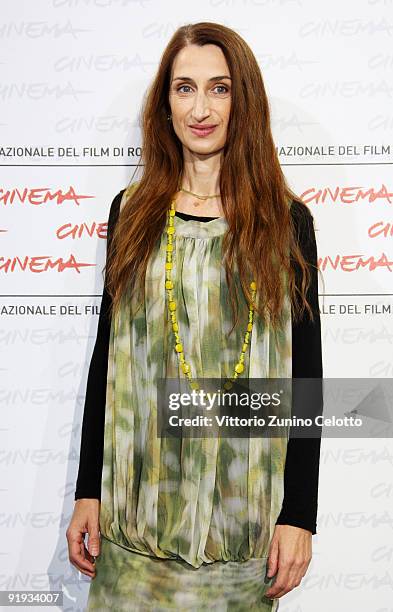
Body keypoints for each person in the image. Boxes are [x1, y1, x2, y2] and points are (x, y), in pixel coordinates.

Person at [66, 22, 323, 612]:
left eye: (220, 88)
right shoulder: (129, 213)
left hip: (240, 537)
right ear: (165, 105)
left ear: (244, 102)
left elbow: (306, 378)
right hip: (132, 525)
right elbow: (108, 358)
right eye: (184, 88)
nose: (201, 108)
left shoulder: (288, 224)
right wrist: (88, 491)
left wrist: (300, 515)